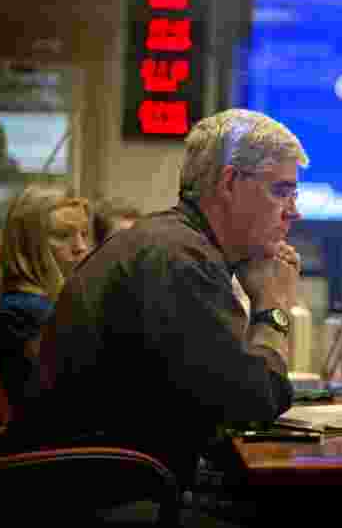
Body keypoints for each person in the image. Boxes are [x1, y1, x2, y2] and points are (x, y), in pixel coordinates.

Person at [27, 109, 308, 487]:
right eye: (281, 191)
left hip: (108, 478)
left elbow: (220, 399)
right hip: (95, 494)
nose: (294, 212)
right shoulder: (178, 259)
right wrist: (272, 306)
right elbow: (253, 404)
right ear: (229, 183)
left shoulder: (175, 244)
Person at [0, 183, 91, 420]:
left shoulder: (46, 302)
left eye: (84, 234)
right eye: (63, 235)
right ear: (27, 243)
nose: (81, 247)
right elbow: (66, 395)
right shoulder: (28, 310)